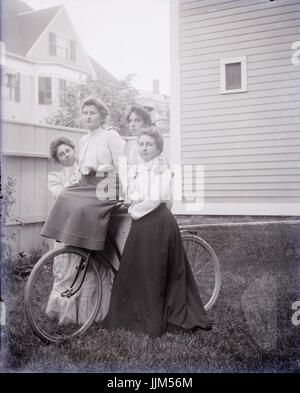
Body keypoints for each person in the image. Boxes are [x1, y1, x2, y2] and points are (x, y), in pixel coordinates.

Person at [103, 127, 212, 338]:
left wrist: (133, 209)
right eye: (141, 144)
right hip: (141, 223)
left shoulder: (163, 170)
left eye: (149, 144)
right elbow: (133, 192)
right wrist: (131, 199)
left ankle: (155, 317)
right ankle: (132, 317)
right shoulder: (138, 169)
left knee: (155, 271)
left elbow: (155, 199)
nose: (144, 148)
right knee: (135, 268)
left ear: (158, 148)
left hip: (158, 222)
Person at [41, 97, 126, 321]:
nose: (88, 116)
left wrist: (104, 168)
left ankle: (85, 241)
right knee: (67, 195)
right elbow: (82, 169)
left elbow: (123, 165)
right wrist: (87, 169)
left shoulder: (111, 136)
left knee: (79, 203)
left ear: (102, 115)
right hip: (91, 185)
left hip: (109, 185)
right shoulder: (84, 139)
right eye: (85, 112)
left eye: (92, 112)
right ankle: (67, 238)